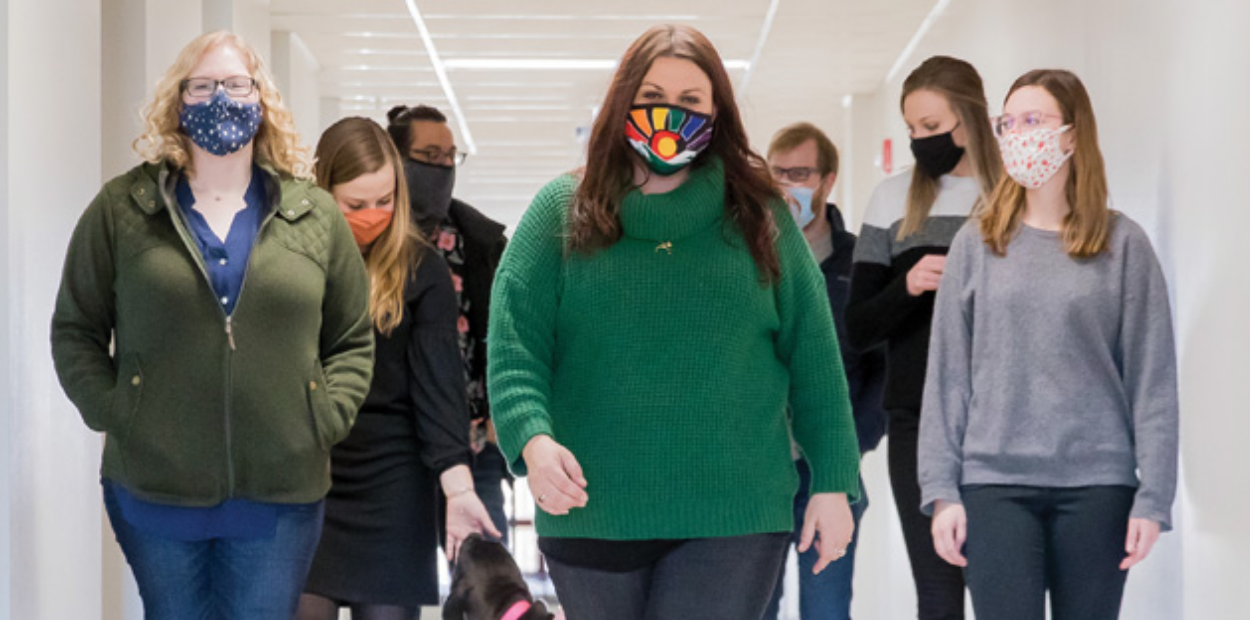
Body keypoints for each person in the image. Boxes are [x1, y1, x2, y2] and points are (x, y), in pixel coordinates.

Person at [487, 24, 860, 620]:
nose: (670, 114)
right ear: (622, 103)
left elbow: (814, 355)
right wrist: (533, 440)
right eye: (652, 97)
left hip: (734, 512)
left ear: (717, 112)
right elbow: (514, 350)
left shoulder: (759, 217)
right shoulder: (559, 212)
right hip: (592, 507)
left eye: (690, 100)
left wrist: (833, 482)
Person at [50, 31, 374, 619]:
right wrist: (119, 412)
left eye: (236, 84)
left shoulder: (314, 215)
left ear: (261, 99)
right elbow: (76, 329)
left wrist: (323, 417)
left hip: (281, 492)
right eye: (201, 86)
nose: (220, 98)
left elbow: (351, 338)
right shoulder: (123, 210)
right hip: (155, 488)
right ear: (177, 101)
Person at [920, 69, 1178, 620]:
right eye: (1008, 124)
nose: (1017, 135)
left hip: (1097, 485)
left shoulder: (1123, 245)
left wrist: (1154, 497)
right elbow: (947, 378)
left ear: (1072, 134)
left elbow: (1152, 380)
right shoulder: (976, 243)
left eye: (1033, 120)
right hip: (994, 484)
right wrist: (942, 491)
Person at [296, 117, 500, 620]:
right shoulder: (293, 262)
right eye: (355, 204)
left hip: (393, 482)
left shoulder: (422, 268)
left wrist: (458, 487)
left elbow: (440, 386)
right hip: (309, 475)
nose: (372, 216)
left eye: (384, 201)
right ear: (323, 192)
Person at [845, 55, 1002, 620]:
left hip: (1001, 416)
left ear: (970, 117)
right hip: (915, 417)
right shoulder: (892, 200)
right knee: (938, 591)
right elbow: (858, 327)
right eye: (912, 128)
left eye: (931, 126)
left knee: (999, 587)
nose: (920, 140)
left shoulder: (1013, 196)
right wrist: (907, 285)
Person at [763, 123, 888, 620]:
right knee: (756, 609)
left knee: (827, 611)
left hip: (830, 473)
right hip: (763, 472)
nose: (787, 185)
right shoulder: (752, 260)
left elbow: (883, 370)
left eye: (800, 174)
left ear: (828, 180)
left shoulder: (861, 265)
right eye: (777, 174)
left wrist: (848, 446)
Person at [387, 104, 512, 544]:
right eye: (428, 156)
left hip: (476, 441)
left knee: (488, 567)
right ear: (396, 160)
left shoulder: (479, 243)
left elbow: (505, 334)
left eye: (449, 157)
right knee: (400, 568)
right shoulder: (376, 242)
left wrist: (498, 412)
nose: (441, 167)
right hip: (400, 445)